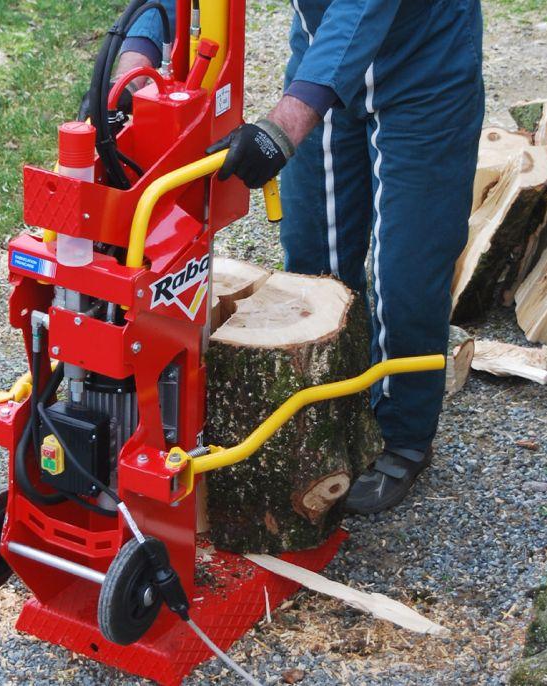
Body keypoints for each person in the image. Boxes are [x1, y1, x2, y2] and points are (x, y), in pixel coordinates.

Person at [119, 0, 484, 514]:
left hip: (425, 64)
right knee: (315, 262)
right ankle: (327, 419)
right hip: (324, 46)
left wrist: (287, 123)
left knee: (407, 270)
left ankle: (403, 435)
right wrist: (137, 51)